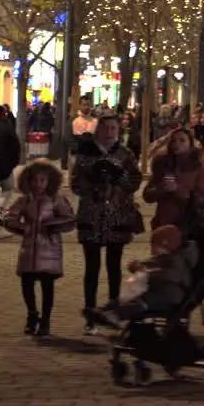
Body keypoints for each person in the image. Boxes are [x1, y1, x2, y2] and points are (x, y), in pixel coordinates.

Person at [71, 114, 144, 336]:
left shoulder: (125, 154)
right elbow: (75, 182)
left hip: (116, 216)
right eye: (106, 128)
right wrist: (92, 188)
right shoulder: (85, 154)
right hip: (92, 216)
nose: (110, 132)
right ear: (98, 130)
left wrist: (119, 181)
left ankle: (114, 311)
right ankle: (91, 314)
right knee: (91, 268)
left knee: (114, 266)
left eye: (114, 128)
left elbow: (135, 180)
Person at [3, 159, 76, 337]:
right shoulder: (24, 200)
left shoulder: (56, 199)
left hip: (49, 247)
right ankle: (32, 314)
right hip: (29, 248)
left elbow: (69, 218)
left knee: (47, 286)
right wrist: (23, 227)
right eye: (35, 180)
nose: (38, 184)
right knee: (27, 283)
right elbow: (10, 217)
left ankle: (46, 321)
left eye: (42, 180)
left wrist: (53, 225)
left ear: (50, 181)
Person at [88, 225, 199, 327]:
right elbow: (146, 265)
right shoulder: (165, 258)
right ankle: (104, 310)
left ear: (166, 245)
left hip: (170, 296)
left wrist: (150, 273)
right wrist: (137, 266)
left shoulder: (178, 261)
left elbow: (173, 276)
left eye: (154, 246)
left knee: (140, 302)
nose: (152, 250)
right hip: (159, 292)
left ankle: (114, 315)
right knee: (127, 298)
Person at [144, 128, 204, 231]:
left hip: (188, 224)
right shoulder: (163, 164)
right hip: (163, 223)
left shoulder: (199, 168)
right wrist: (160, 189)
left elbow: (201, 200)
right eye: (174, 141)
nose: (177, 144)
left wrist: (177, 190)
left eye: (182, 140)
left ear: (190, 143)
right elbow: (147, 195)